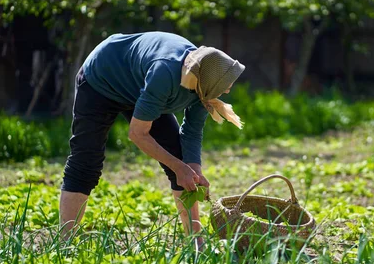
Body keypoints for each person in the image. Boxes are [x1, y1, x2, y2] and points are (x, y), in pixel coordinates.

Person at [59, 31, 245, 249]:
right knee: (86, 161)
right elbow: (137, 134)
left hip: (137, 85)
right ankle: (64, 244)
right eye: (227, 83)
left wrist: (192, 170)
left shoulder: (203, 81)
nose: (229, 88)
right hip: (102, 78)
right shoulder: (165, 73)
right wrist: (179, 167)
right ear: (212, 79)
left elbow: (192, 133)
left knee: (179, 157)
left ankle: (196, 244)